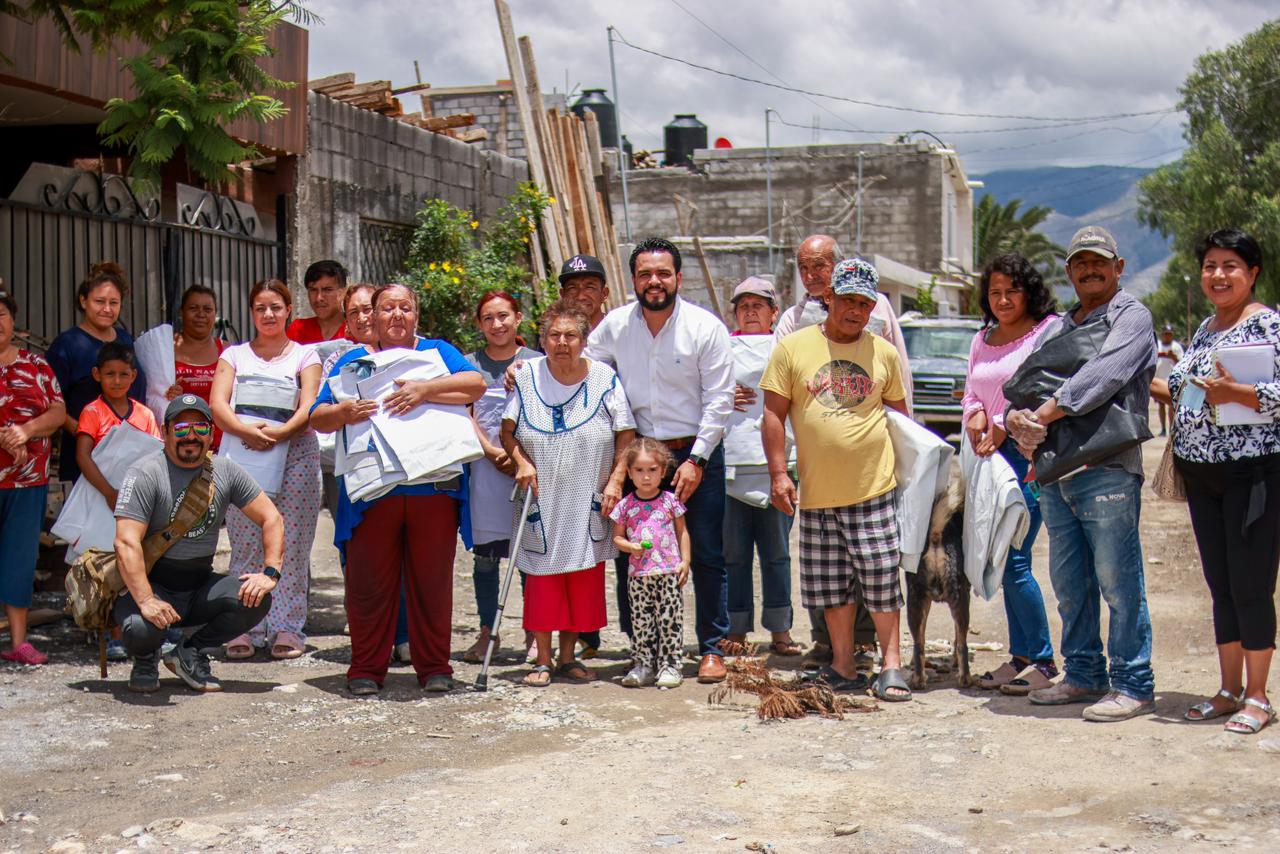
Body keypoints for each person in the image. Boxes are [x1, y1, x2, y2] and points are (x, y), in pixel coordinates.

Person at [1007, 225, 1157, 722]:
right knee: (1071, 583)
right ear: (1070, 272)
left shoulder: (1132, 317)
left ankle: (1133, 683)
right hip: (1057, 474)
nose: (1090, 270)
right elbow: (1024, 380)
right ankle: (1084, 674)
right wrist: (1017, 419)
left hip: (1108, 469)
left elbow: (1106, 376)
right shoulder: (1057, 326)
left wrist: (1044, 414)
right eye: (1080, 263)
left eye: (1100, 262)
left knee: (1118, 581)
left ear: (1119, 268)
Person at [310, 283, 486, 695]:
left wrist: (424, 390)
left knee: (432, 581)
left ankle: (435, 668)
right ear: (372, 314)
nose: (396, 316)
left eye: (405, 307)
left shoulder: (437, 352)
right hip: (373, 490)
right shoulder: (353, 360)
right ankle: (365, 669)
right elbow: (317, 416)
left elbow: (475, 384)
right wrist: (343, 410)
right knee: (368, 581)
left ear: (416, 314)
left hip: (433, 487)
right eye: (387, 308)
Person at [760, 258, 913, 701]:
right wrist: (777, 474)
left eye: (865, 303)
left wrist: (911, 483)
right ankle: (843, 665)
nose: (856, 310)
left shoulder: (882, 351)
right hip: (817, 492)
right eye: (848, 300)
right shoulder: (793, 348)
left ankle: (891, 666)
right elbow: (772, 414)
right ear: (829, 297)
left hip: (874, 489)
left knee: (882, 579)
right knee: (832, 584)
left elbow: (901, 422)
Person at [587, 238, 734, 683]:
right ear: (633, 280)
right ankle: (643, 650)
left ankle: (711, 648)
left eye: (663, 274)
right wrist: (525, 369)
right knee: (630, 552)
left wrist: (697, 459)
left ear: (678, 278)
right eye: (646, 274)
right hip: (639, 456)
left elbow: (720, 400)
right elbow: (583, 370)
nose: (655, 282)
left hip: (695, 453)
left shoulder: (705, 327)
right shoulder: (613, 327)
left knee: (705, 551)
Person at [1154, 229, 1279, 734]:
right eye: (1210, 265)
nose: (1218, 275)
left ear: (1251, 274)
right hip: (1200, 474)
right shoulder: (1204, 328)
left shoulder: (1270, 326)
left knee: (1251, 585)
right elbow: (1189, 394)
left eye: (1230, 265)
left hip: (1253, 473)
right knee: (1220, 585)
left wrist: (1237, 392)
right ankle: (1228, 690)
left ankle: (1258, 696)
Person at [113, 394, 284, 693]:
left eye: (200, 429)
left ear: (211, 434)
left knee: (256, 599)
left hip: (197, 586)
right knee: (140, 629)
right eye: (180, 429)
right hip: (152, 583)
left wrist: (270, 573)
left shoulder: (225, 471)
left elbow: (272, 518)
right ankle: (145, 657)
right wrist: (146, 600)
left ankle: (190, 651)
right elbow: (126, 542)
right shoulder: (144, 473)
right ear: (165, 432)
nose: (190, 436)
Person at [503, 300, 635, 686]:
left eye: (571, 335)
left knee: (582, 576)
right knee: (543, 579)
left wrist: (615, 480)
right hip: (542, 496)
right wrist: (521, 462)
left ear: (584, 339)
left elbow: (624, 432)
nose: (562, 343)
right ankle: (542, 660)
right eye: (554, 335)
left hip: (587, 494)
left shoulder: (604, 377)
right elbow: (507, 430)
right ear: (542, 340)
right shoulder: (526, 376)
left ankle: (568, 656)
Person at [960, 253, 1060, 695]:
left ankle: (1042, 660)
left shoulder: (1047, 331)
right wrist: (976, 417)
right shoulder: (982, 338)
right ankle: (1020, 657)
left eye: (1011, 291)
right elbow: (970, 392)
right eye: (994, 292)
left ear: (1029, 291)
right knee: (1000, 557)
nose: (1002, 300)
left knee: (1016, 556)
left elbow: (1045, 393)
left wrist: (1001, 426)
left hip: (1027, 456)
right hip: (986, 460)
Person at [211, 279, 322, 661]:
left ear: (288, 309)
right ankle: (242, 625)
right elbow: (218, 404)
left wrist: (282, 433)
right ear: (252, 312)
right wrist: (246, 431)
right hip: (245, 453)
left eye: (276, 306)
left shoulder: (305, 356)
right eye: (261, 308)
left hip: (296, 456)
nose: (269, 314)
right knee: (244, 543)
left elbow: (309, 404)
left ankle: (287, 628)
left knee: (291, 543)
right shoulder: (234, 355)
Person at [723, 276, 800, 656]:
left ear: (774, 312)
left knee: (777, 553)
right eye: (743, 305)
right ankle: (735, 628)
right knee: (733, 554)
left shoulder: (787, 348)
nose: (751, 311)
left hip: (778, 465)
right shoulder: (719, 347)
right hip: (731, 465)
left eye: (758, 305)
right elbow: (697, 391)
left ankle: (780, 629)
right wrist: (723, 394)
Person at [462, 290, 539, 665]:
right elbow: (462, 414)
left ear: (518, 318)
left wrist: (517, 456)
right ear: (479, 324)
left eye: (504, 316)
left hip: (529, 469)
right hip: (483, 469)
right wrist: (490, 451)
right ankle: (487, 633)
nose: (497, 324)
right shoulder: (466, 365)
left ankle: (533, 634)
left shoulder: (537, 362)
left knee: (530, 556)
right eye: (489, 318)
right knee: (486, 559)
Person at [73, 342, 163, 661]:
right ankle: (111, 631)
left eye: (123, 374)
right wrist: (109, 492)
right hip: (101, 498)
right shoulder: (92, 412)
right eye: (109, 374)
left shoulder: (145, 414)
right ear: (97, 374)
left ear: (133, 375)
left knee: (140, 561)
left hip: (138, 501)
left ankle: (142, 626)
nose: (116, 380)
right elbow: (83, 456)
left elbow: (156, 455)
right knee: (106, 565)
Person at [0, 292, 66, 665]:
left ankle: (19, 642)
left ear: (13, 321)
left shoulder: (36, 365)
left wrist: (24, 431)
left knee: (19, 558)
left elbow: (58, 412)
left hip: (27, 481)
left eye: (2, 314)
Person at [46, 262, 146, 485]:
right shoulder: (66, 345)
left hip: (128, 455)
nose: (107, 309)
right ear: (83, 301)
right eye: (99, 301)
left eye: (114, 303)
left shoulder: (125, 339)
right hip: (83, 457)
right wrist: (90, 435)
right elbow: (53, 404)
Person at [611, 437, 690, 688]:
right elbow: (617, 537)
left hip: (668, 571)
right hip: (639, 574)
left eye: (652, 470)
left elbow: (682, 532)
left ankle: (670, 665)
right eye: (639, 470)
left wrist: (685, 561)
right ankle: (643, 664)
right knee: (641, 620)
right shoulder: (626, 505)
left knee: (669, 619)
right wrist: (630, 547)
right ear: (630, 473)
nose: (646, 477)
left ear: (663, 471)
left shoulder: (670, 501)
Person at [163, 285, 226, 450]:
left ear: (215, 314)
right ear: (181, 312)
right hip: (181, 443)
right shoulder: (165, 349)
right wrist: (166, 394)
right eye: (193, 308)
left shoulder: (228, 351)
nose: (201, 314)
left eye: (207, 309)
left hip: (220, 444)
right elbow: (153, 395)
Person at [287, 260, 348, 344]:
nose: (319, 298)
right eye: (313, 290)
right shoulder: (298, 329)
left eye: (327, 290)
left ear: (343, 293)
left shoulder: (355, 330)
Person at [559, 254, 611, 331]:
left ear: (604, 293)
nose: (580, 296)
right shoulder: (557, 339)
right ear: (562, 295)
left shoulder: (617, 333)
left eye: (589, 287)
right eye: (572, 288)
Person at [1154, 324, 1184, 437]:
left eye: (1169, 334)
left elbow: (1182, 364)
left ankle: (1172, 428)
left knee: (1171, 405)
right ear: (1162, 334)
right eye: (1165, 334)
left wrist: (1173, 357)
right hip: (1158, 378)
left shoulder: (1176, 347)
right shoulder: (1157, 346)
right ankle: (1163, 428)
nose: (1167, 336)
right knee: (1161, 405)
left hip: (1171, 380)